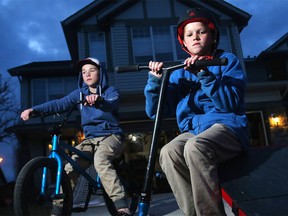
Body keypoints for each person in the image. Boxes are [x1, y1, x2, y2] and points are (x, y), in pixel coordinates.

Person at [144, 8, 249, 216]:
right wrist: (155, 82)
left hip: (227, 128)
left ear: (212, 36)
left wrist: (204, 74)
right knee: (168, 152)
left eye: (201, 32)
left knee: (194, 147)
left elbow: (231, 103)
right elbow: (156, 112)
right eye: (189, 34)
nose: (195, 37)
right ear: (183, 42)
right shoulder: (177, 73)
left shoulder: (227, 61)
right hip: (194, 131)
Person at [20, 57, 131, 216]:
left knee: (101, 161)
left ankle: (122, 206)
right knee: (69, 168)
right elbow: (59, 104)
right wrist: (34, 110)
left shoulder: (110, 91)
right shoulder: (79, 94)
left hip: (111, 136)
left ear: (101, 73)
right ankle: (58, 211)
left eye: (92, 70)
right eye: (84, 72)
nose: (87, 74)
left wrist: (98, 100)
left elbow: (111, 103)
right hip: (90, 139)